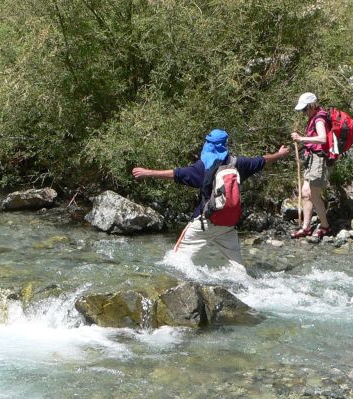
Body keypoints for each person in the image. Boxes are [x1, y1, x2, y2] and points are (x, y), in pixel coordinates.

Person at [131, 129, 289, 268]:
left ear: (208, 144)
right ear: (225, 144)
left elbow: (176, 174)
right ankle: (247, 290)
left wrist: (148, 172)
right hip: (228, 224)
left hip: (206, 221)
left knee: (175, 259)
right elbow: (263, 160)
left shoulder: (202, 166)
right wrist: (280, 154)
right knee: (238, 268)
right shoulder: (238, 163)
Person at [290, 92, 332, 240]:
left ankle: (325, 226)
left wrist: (301, 138)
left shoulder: (319, 119)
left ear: (312, 106)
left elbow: (322, 138)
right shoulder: (313, 117)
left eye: (305, 109)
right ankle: (306, 227)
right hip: (312, 158)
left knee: (313, 194)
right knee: (306, 193)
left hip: (318, 159)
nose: (303, 113)